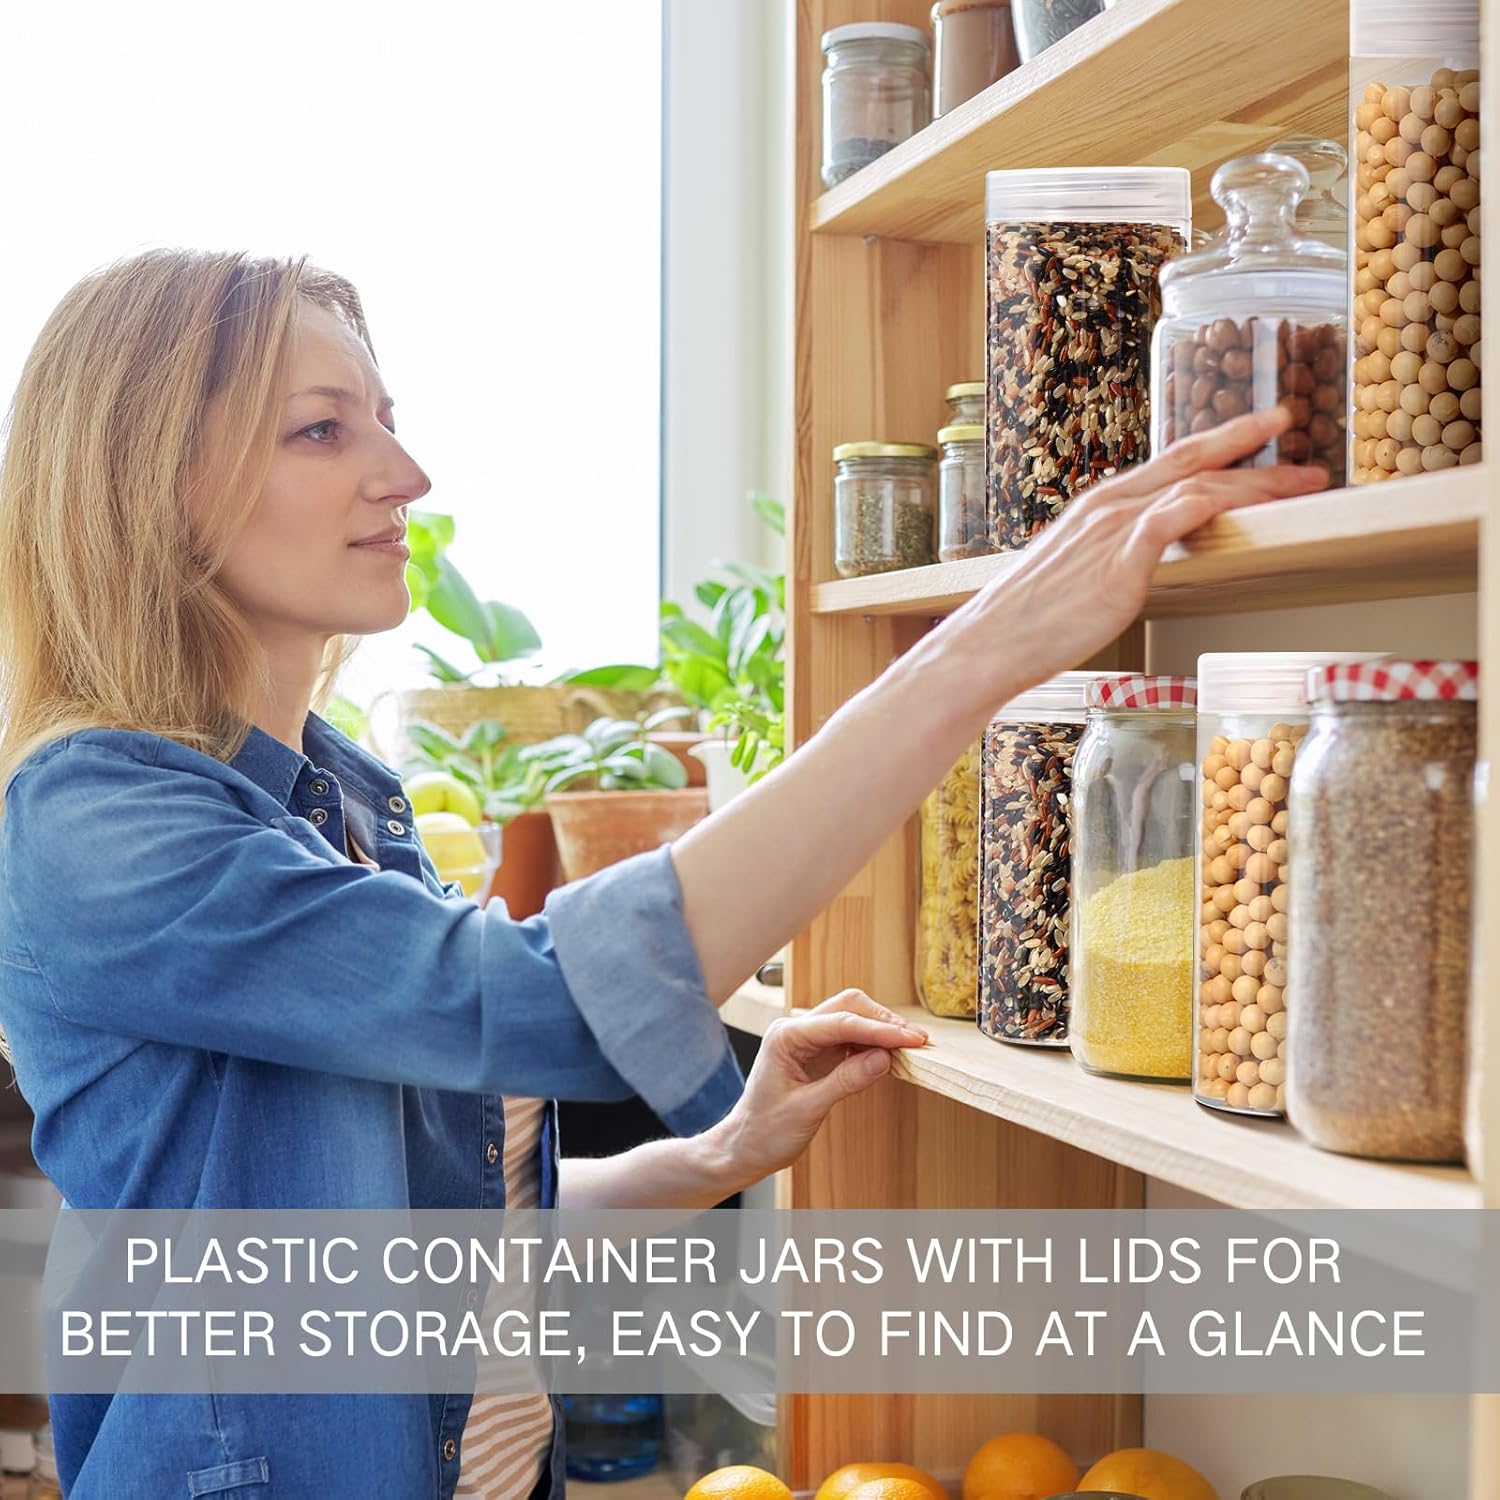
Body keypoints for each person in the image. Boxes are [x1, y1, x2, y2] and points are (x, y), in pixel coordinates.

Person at [0, 250, 1326, 1499]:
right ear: (150, 491)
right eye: (321, 430)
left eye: (385, 420)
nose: (405, 472)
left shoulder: (343, 799)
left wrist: (718, 1155)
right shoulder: (97, 820)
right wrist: (986, 646)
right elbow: (537, 1000)